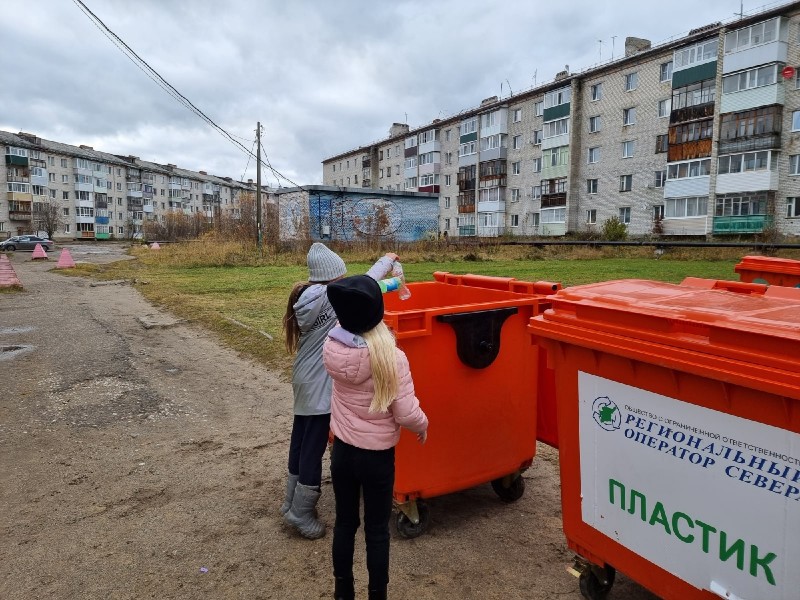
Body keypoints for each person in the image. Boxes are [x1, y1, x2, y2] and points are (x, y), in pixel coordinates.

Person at [281, 243, 398, 540]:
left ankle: (290, 501)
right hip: (320, 385)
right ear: (333, 277)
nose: (346, 279)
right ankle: (302, 511)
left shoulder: (309, 295)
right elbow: (369, 283)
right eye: (342, 274)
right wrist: (387, 260)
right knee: (313, 447)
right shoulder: (331, 296)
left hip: (303, 379)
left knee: (301, 439)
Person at [323, 275, 429, 600]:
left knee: (344, 523)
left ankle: (343, 590)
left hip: (342, 451)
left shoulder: (332, 348)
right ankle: (377, 594)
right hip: (377, 458)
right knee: (377, 531)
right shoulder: (391, 357)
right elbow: (406, 413)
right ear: (377, 314)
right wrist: (423, 425)